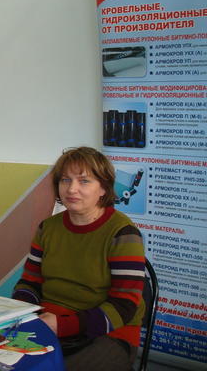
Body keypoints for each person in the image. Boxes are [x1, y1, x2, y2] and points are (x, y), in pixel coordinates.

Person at [13, 146, 145, 371]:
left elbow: (124, 305)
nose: (72, 189)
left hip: (107, 334)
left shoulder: (123, 233)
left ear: (103, 188)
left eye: (84, 181)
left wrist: (63, 325)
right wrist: (20, 313)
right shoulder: (48, 228)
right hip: (48, 323)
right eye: (65, 180)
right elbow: (30, 282)